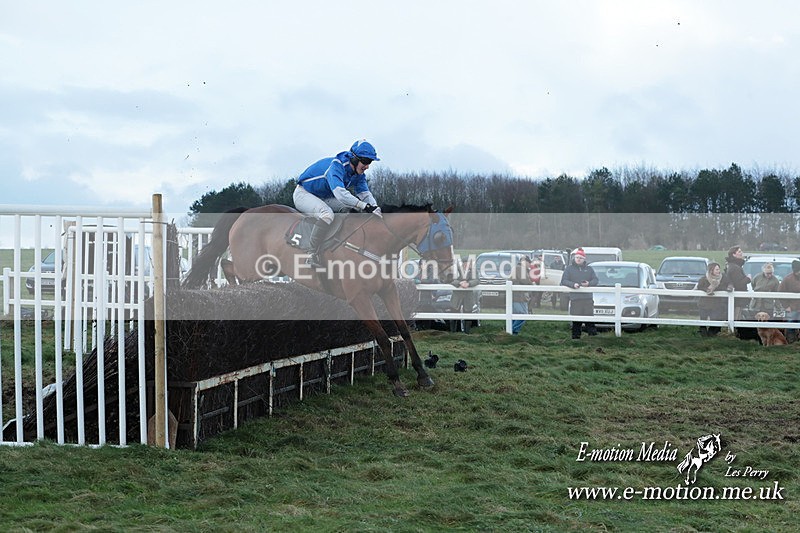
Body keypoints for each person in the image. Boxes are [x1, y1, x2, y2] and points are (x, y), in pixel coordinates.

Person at [293, 139, 382, 267]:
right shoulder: (336, 166)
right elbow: (340, 194)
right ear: (355, 159)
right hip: (304, 194)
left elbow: (365, 195)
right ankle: (310, 254)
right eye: (366, 162)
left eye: (370, 162)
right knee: (327, 214)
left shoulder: (359, 174)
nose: (367, 166)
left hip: (325, 196)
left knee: (351, 210)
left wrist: (376, 209)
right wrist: (364, 206)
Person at [561, 248, 599, 339]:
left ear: (584, 259)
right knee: (576, 321)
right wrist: (573, 285)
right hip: (575, 299)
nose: (578, 259)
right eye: (577, 257)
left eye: (580, 258)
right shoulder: (569, 269)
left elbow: (595, 280)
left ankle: (592, 338)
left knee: (590, 320)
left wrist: (588, 284)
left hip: (588, 299)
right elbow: (564, 280)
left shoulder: (589, 269)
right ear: (574, 258)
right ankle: (576, 338)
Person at [696, 262, 729, 337]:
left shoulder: (723, 278)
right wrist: (707, 290)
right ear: (711, 270)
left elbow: (727, 284)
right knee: (703, 322)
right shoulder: (704, 279)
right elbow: (699, 287)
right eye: (717, 269)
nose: (719, 271)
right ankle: (703, 336)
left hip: (716, 304)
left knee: (715, 321)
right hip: (704, 304)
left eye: (719, 269)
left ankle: (712, 336)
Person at [449, 257, 479, 333]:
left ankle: (467, 332)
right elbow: (451, 279)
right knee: (454, 314)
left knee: (468, 314)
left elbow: (477, 280)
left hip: (468, 296)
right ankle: (453, 332)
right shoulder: (456, 270)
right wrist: (459, 283)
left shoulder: (474, 271)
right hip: (457, 296)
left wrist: (468, 284)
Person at [724, 245, 750, 320]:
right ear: (734, 254)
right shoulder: (735, 268)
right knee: (736, 319)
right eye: (739, 251)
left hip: (737, 300)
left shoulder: (734, 266)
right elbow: (739, 284)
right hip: (737, 300)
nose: (741, 253)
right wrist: (748, 279)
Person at [778, 260, 800, 343]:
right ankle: (791, 343)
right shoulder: (787, 279)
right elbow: (780, 293)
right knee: (790, 327)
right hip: (793, 308)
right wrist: (786, 306)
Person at [511, 255, 533, 335]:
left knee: (514, 315)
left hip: (517, 296)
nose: (529, 264)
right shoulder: (520, 269)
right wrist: (532, 284)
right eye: (529, 262)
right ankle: (512, 330)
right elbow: (525, 281)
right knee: (523, 315)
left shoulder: (518, 268)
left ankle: (512, 333)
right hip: (519, 296)